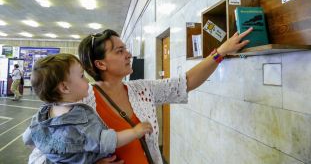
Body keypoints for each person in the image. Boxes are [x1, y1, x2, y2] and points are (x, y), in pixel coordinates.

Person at [28, 27, 253, 164]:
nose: (129, 54)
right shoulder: (79, 103)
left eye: (125, 48)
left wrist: (220, 53)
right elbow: (41, 156)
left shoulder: (140, 90)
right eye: (119, 51)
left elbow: (183, 84)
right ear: (100, 63)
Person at [23, 53, 153, 163]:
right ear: (65, 88)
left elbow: (28, 139)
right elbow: (107, 141)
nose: (86, 80)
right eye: (81, 76)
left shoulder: (42, 115)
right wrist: (136, 132)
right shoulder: (80, 118)